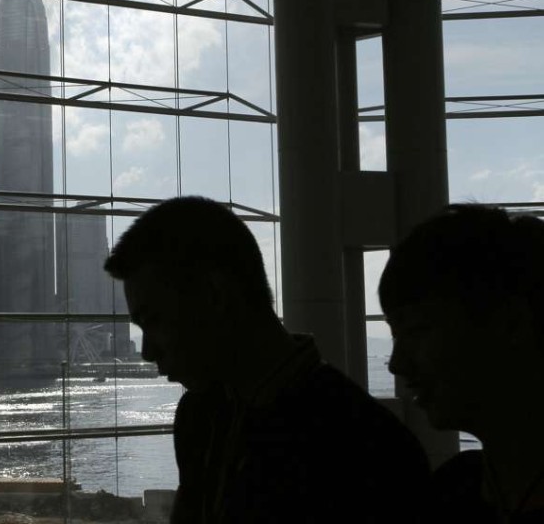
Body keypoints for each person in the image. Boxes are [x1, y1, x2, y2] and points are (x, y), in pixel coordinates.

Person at [104, 196, 429, 523]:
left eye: (154, 321)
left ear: (215, 295)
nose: (147, 351)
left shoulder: (204, 419)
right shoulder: (365, 438)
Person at [380, 204, 544, 522]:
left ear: (510, 324)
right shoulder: (455, 488)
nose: (397, 364)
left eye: (417, 331)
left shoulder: (452, 493)